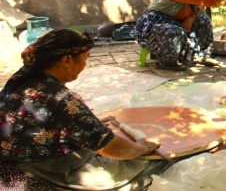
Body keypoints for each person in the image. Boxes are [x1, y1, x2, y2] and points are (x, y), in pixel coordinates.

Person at [0, 29, 164, 190]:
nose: (85, 65)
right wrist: (141, 148)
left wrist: (89, 124)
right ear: (67, 61)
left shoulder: (20, 78)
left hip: (11, 159)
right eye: (85, 59)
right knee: (145, 167)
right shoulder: (61, 100)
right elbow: (109, 146)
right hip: (44, 169)